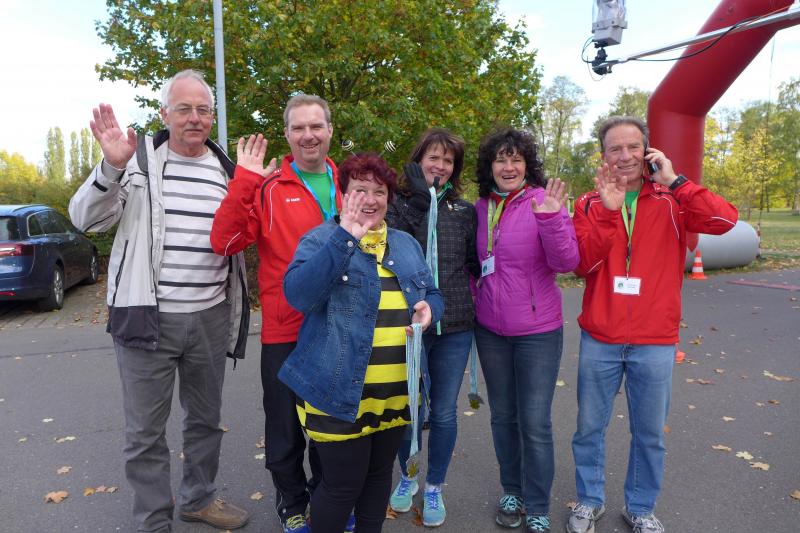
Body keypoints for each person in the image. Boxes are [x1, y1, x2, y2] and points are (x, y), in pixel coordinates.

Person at [69, 69, 250, 532]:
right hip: (146, 316)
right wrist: (110, 168)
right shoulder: (137, 163)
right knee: (145, 432)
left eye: (203, 109)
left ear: (212, 116)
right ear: (165, 113)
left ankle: (199, 499)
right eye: (184, 108)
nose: (194, 118)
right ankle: (153, 520)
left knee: (206, 421)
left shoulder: (226, 169)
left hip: (209, 315)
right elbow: (85, 220)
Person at [567, 116, 738, 533]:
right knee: (589, 428)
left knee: (649, 433)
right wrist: (609, 214)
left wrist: (677, 181)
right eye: (615, 148)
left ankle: (640, 507)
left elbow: (725, 221)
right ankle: (589, 501)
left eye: (633, 147)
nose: (624, 156)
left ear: (647, 152)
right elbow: (581, 265)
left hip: (655, 339)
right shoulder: (589, 203)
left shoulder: (672, 198)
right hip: (601, 336)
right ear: (603, 155)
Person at [278, 152, 444, 533]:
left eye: (379, 191)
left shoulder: (405, 244)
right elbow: (298, 295)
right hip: (337, 393)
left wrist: (430, 311)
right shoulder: (322, 239)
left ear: (389, 198)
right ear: (343, 195)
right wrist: (346, 239)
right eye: (360, 190)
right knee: (341, 487)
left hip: (394, 395)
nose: (370, 199)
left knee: (377, 479)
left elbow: (433, 293)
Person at [210, 94, 340, 533]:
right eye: (298, 127)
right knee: (285, 431)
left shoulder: (349, 183)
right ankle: (292, 503)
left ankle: (329, 498)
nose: (308, 135)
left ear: (330, 130)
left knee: (334, 427)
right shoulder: (267, 187)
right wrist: (244, 180)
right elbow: (224, 242)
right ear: (287, 134)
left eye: (316, 126)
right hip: (286, 331)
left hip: (339, 329)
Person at [473, 128, 579, 533]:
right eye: (501, 159)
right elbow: (473, 264)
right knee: (503, 417)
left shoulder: (543, 201)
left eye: (516, 159)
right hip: (490, 331)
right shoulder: (481, 207)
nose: (508, 167)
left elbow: (566, 262)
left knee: (534, 422)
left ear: (527, 165)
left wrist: (551, 218)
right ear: (490, 166)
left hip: (537, 331)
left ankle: (536, 504)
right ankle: (512, 491)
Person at [385, 128, 479, 527]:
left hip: (454, 325)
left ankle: (435, 485)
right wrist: (421, 204)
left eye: (448, 161)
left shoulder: (465, 211)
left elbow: (473, 263)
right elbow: (391, 251)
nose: (440, 166)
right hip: (408, 325)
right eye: (433, 158)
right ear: (418, 159)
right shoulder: (396, 204)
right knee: (410, 407)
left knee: (442, 413)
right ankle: (408, 476)